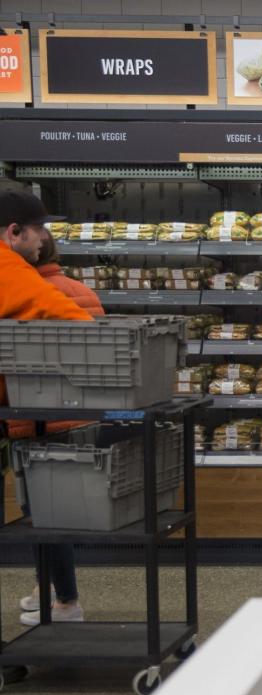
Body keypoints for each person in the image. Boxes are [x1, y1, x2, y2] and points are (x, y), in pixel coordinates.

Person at [0, 191, 94, 628]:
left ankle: (57, 597)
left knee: (43, 512)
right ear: (14, 232)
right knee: (52, 514)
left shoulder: (20, 272)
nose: (44, 237)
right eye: (38, 228)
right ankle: (60, 598)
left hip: (36, 417)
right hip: (56, 411)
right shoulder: (11, 271)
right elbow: (81, 325)